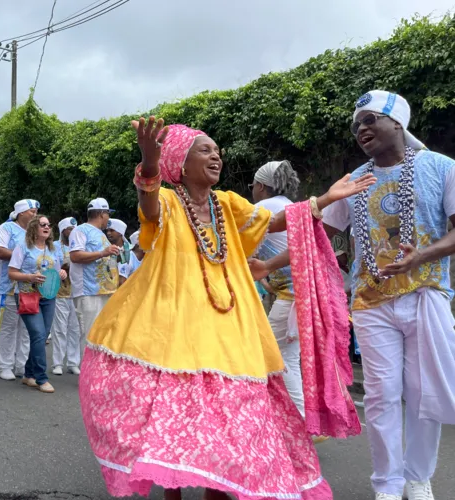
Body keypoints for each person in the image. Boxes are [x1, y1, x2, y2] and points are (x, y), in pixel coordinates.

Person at [79, 116, 373, 500]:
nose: (216, 156)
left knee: (229, 411)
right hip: (175, 319)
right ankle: (175, 489)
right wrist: (149, 162)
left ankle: (220, 487)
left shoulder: (228, 204)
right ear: (180, 164)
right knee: (181, 408)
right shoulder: (168, 200)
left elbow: (276, 220)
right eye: (205, 150)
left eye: (218, 151)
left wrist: (325, 200)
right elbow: (148, 206)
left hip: (231, 319)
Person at [323, 90, 455, 500]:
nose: (361, 129)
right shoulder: (354, 181)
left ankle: (417, 478)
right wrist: (267, 265)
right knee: (382, 394)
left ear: (397, 123)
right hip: (370, 301)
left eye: (369, 120)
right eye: (355, 126)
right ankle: (387, 484)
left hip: (426, 295)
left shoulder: (441, 167)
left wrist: (422, 256)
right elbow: (321, 233)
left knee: (423, 392)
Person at [251, 160, 305, 418]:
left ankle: (301, 418)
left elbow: (244, 249)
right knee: (288, 358)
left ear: (260, 186)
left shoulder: (262, 209)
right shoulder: (289, 206)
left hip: (290, 297)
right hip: (302, 296)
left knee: (271, 355)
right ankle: (299, 420)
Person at [8, 215, 66, 393]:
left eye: (49, 224)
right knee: (39, 334)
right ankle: (41, 378)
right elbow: (12, 272)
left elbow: (56, 271)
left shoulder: (54, 248)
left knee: (42, 335)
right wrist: (29, 277)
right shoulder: (23, 247)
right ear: (34, 228)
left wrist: (62, 273)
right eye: (43, 225)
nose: (47, 227)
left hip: (49, 296)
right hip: (27, 295)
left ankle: (28, 374)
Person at [0, 200, 38, 380]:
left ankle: (21, 365)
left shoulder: (35, 233)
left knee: (27, 328)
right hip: (8, 286)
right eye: (31, 212)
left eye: (36, 212)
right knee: (9, 327)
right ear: (20, 213)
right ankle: (5, 365)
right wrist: (23, 255)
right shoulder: (6, 228)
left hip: (30, 287)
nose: (34, 215)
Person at [69, 198, 119, 343]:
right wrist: (103, 253)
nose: (108, 219)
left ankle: (97, 366)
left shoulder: (100, 233)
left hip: (104, 292)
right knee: (90, 337)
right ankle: (85, 366)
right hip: (89, 292)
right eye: (108, 214)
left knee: (101, 338)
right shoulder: (80, 230)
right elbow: (75, 255)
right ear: (102, 214)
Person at [50, 217, 82, 376]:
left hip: (76, 292)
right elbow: (48, 266)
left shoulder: (80, 246)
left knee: (75, 329)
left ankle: (73, 362)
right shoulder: (54, 246)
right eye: (70, 229)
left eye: (75, 229)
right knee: (60, 329)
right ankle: (57, 363)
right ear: (63, 231)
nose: (73, 232)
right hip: (60, 293)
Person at [105, 218, 130, 286]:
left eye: (112, 230)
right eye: (107, 231)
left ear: (120, 232)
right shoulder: (105, 250)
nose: (108, 233)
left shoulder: (130, 251)